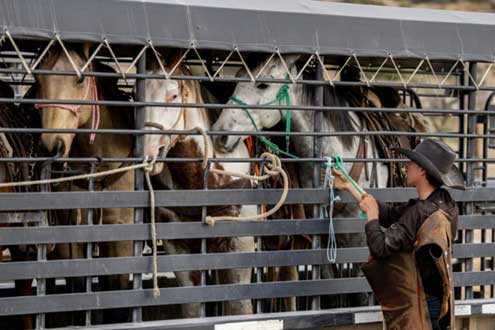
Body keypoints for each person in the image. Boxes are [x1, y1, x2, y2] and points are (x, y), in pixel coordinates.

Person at [333, 138, 464, 330]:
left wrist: (371, 216)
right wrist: (350, 185)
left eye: (411, 162)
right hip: (437, 303)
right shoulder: (444, 203)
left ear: (421, 170)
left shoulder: (421, 212)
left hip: (420, 308)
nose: (406, 166)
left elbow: (380, 247)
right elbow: (391, 215)